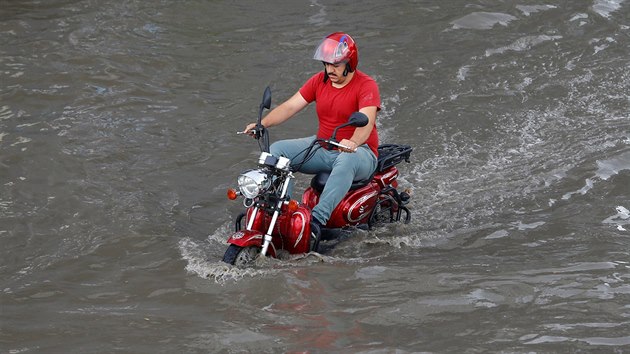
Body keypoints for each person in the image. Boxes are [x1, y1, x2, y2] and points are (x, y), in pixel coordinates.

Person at [242, 32, 381, 231]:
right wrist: (261, 124)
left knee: (346, 159)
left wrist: (353, 142)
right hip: (323, 146)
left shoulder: (366, 85)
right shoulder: (319, 81)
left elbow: (366, 123)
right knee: (277, 150)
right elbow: (290, 106)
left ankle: (315, 222)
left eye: (335, 65)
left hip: (360, 153)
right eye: (326, 64)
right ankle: (280, 213)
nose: (329, 69)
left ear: (350, 63)